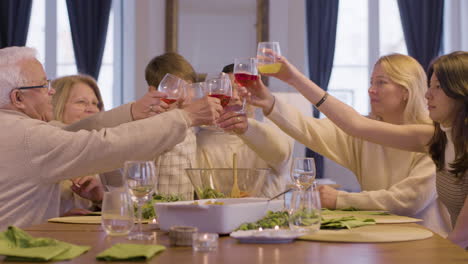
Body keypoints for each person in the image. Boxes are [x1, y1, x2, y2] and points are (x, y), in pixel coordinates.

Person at [244, 51, 467, 248]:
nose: (371, 90)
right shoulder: (433, 136)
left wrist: (340, 199)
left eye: (381, 82)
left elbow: (409, 202)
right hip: (379, 240)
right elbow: (345, 125)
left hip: (426, 244)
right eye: (430, 86)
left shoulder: (433, 137)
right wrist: (272, 101)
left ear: (406, 90)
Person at [0, 46, 223, 229]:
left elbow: (72, 131)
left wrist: (133, 111)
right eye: (43, 85)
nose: (51, 91)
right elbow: (107, 145)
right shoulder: (30, 136)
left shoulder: (16, 127)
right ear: (18, 97)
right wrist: (185, 117)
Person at [198, 63, 293, 198]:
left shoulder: (273, 132)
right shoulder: (202, 139)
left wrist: (246, 127)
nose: (235, 97)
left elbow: (282, 154)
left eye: (242, 90)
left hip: (267, 216)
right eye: (229, 90)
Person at [144, 52, 199, 200]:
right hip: (158, 212)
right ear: (154, 91)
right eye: (177, 89)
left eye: (189, 88)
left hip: (186, 211)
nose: (185, 97)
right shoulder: (151, 127)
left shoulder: (192, 126)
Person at [51, 75, 106, 216]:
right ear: (57, 105)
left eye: (95, 104)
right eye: (81, 102)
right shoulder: (41, 147)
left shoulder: (103, 151)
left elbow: (127, 209)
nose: (92, 109)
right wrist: (59, 217)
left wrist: (100, 198)